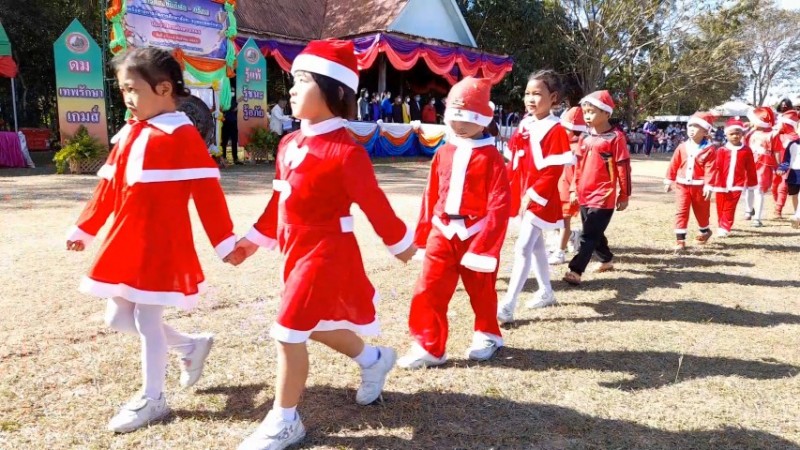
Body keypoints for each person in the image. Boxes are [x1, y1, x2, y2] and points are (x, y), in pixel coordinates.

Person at [229, 40, 416, 450]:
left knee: (289, 332)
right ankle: (374, 360)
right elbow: (278, 200)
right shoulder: (288, 145)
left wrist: (401, 244)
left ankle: (285, 420)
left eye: (302, 80)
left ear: (334, 91)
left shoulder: (346, 151)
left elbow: (374, 203)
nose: (292, 89)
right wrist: (251, 242)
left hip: (328, 252)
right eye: (292, 80)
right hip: (294, 251)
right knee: (314, 327)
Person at [65, 47, 236, 433]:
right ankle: (190, 346)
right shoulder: (129, 133)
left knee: (145, 316)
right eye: (122, 89)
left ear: (163, 88)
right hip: (126, 238)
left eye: (132, 89)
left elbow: (208, 194)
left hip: (163, 242)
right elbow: (108, 188)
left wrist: (225, 242)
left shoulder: (183, 136)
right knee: (117, 316)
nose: (126, 98)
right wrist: (85, 228)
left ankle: (153, 398)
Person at [398, 76, 510, 368]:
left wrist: (486, 246)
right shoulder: (443, 151)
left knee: (482, 289)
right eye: (455, 117)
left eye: (468, 118)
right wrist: (422, 236)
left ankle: (487, 333)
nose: (459, 124)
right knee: (429, 287)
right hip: (442, 229)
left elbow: (499, 204)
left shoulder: (493, 158)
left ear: (484, 119)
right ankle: (429, 345)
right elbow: (430, 194)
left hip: (476, 232)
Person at [497, 70, 574, 322]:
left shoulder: (556, 130)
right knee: (537, 245)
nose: (530, 99)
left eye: (537, 94)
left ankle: (508, 305)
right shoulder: (525, 123)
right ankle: (546, 291)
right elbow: (515, 161)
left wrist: (532, 194)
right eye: (527, 93)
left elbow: (552, 171)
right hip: (523, 192)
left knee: (523, 247)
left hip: (541, 197)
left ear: (553, 98)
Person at [563, 90, 631, 286]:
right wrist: (575, 189)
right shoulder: (584, 138)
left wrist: (624, 194)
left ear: (606, 114)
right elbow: (577, 167)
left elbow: (623, 166)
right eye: (585, 112)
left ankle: (575, 270)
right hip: (584, 193)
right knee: (593, 231)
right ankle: (607, 259)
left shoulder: (615, 138)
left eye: (592, 112)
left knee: (588, 235)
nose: (587, 116)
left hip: (604, 195)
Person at [664, 112, 717, 251]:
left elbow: (710, 168)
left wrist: (708, 185)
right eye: (690, 125)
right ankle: (680, 240)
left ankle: (705, 231)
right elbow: (674, 163)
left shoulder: (709, 149)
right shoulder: (682, 147)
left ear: (705, 131)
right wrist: (669, 180)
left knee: (702, 211)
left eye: (697, 126)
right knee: (681, 211)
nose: (692, 129)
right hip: (682, 185)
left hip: (699, 187)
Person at [708, 118, 758, 237]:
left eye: (738, 133)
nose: (735, 136)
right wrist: (710, 182)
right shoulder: (721, 150)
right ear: (726, 134)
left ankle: (725, 226)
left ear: (742, 134)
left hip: (737, 183)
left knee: (730, 206)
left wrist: (752, 183)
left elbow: (751, 168)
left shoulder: (746, 150)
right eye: (732, 134)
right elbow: (715, 167)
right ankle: (721, 224)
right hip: (721, 184)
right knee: (720, 205)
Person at [548, 106, 584, 265]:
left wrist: (574, 191)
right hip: (554, 189)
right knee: (554, 220)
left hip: (567, 192)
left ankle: (560, 252)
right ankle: (571, 237)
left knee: (564, 221)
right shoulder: (559, 144)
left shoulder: (579, 149)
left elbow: (579, 173)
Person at [743, 107, 782, 227]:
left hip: (764, 165)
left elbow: (776, 151)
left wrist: (778, 165)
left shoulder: (773, 134)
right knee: (748, 188)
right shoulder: (750, 132)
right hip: (749, 164)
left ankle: (757, 218)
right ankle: (748, 210)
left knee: (759, 190)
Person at [777, 114, 800, 228]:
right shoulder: (792, 144)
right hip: (794, 173)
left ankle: (798, 216)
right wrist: (782, 168)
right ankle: (797, 215)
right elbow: (787, 159)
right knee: (794, 195)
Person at [773, 110, 797, 218]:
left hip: (788, 167)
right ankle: (777, 205)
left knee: (783, 187)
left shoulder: (795, 138)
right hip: (775, 166)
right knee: (775, 186)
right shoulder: (776, 135)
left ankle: (778, 210)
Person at [222, 95, 241, 164]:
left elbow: (235, 110)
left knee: (234, 141)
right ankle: (223, 157)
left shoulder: (234, 98)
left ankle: (235, 158)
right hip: (226, 122)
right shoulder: (224, 98)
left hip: (233, 122)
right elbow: (230, 108)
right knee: (224, 141)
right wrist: (237, 102)